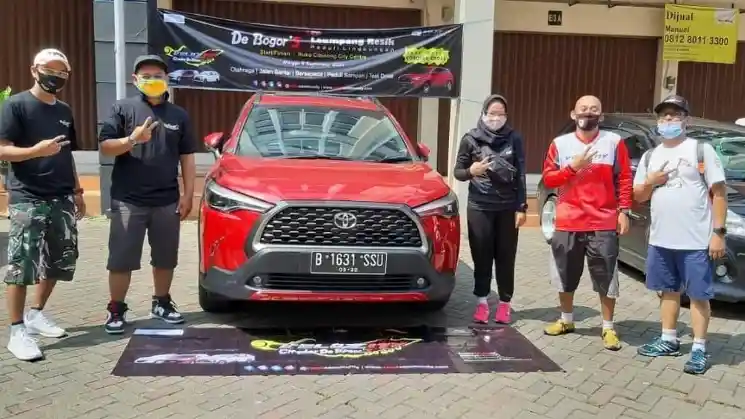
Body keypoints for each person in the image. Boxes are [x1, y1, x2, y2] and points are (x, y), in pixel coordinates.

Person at [98, 55, 197, 334]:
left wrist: (189, 194)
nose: (152, 80)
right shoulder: (122, 108)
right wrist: (132, 139)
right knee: (121, 259)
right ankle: (116, 309)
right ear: (135, 80)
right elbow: (106, 147)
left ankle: (161, 302)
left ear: (167, 79)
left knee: (165, 257)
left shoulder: (179, 115)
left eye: (158, 75)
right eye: (146, 76)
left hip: (167, 200)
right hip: (128, 200)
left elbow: (187, 157)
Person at [0, 48, 85, 360]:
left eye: (62, 72)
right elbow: (2, 149)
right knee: (22, 266)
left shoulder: (64, 110)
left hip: (61, 197)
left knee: (59, 261)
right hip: (28, 197)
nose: (55, 76)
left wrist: (77, 190)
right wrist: (35, 151)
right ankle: (16, 331)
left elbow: (66, 153)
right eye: (49, 69)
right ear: (34, 70)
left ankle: (36, 314)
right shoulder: (16, 105)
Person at [632, 95, 726, 375]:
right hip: (661, 239)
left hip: (695, 240)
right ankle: (669, 339)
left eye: (675, 115)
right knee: (667, 291)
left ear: (687, 119)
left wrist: (718, 233)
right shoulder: (651, 155)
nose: (669, 120)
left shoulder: (701, 150)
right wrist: (651, 182)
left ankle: (698, 348)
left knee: (698, 295)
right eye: (664, 116)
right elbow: (639, 195)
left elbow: (719, 194)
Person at [541, 95, 632, 351]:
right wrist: (573, 167)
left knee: (606, 275)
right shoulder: (560, 144)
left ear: (601, 116)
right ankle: (566, 319)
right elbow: (549, 179)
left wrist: (624, 211)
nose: (588, 113)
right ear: (573, 114)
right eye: (583, 109)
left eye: (594, 110)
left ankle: (608, 327)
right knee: (564, 273)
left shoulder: (614, 142)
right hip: (568, 220)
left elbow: (625, 178)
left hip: (603, 221)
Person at [453, 94, 528, 324]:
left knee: (506, 256)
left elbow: (521, 174)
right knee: (481, 255)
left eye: (500, 114)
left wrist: (521, 207)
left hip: (507, 208)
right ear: (483, 113)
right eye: (492, 113)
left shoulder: (514, 138)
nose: (496, 118)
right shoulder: (470, 139)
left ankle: (505, 304)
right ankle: (482, 303)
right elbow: (458, 171)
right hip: (480, 206)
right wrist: (471, 171)